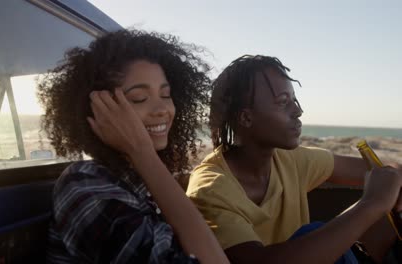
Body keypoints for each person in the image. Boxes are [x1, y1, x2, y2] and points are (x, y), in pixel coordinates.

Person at [186, 54, 402, 263]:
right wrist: (371, 205)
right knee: (315, 231)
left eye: (295, 100)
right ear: (246, 117)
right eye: (283, 102)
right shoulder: (210, 189)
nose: (298, 111)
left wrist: (393, 183)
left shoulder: (290, 160)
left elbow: (380, 173)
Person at [38, 29, 229, 264]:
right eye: (139, 98)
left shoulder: (138, 181)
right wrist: (144, 154)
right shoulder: (84, 186)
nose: (162, 110)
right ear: (99, 109)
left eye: (166, 95)